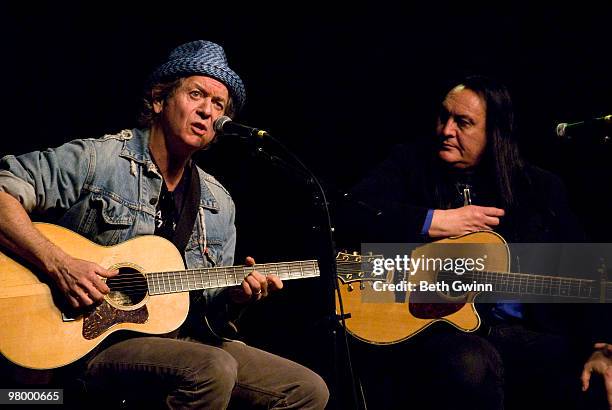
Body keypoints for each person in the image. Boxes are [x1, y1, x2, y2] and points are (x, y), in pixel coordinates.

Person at [0, 39, 329, 409]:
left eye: (218, 105)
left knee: (306, 389)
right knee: (212, 367)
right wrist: (59, 264)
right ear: (159, 100)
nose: (207, 111)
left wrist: (236, 298)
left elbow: (209, 316)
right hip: (84, 340)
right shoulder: (100, 159)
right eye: (196, 95)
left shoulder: (218, 204)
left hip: (177, 342)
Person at [337, 75, 607, 409]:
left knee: (594, 376)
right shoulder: (410, 164)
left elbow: (591, 269)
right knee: (467, 364)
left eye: (463, 123)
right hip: (437, 332)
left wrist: (601, 343)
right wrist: (435, 220)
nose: (447, 130)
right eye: (443, 117)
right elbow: (349, 211)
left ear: (495, 134)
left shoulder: (538, 188)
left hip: (522, 332)